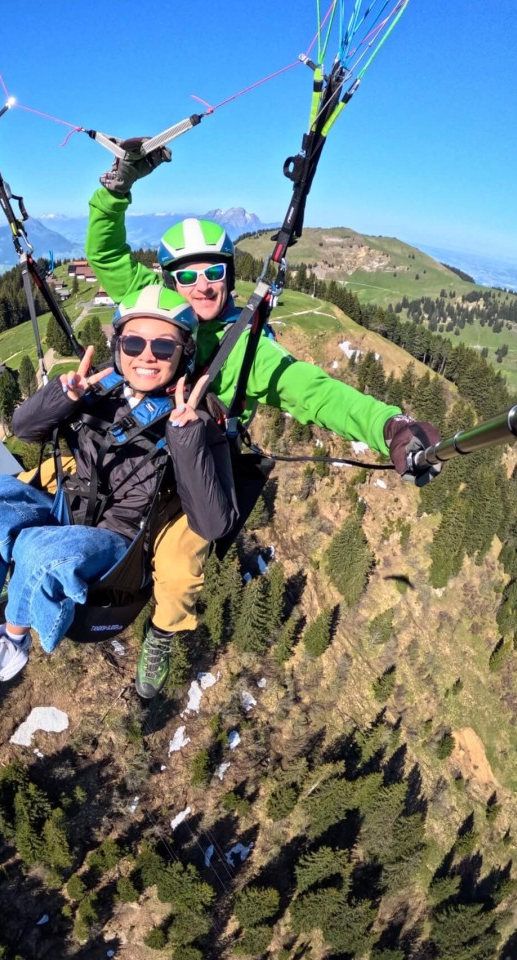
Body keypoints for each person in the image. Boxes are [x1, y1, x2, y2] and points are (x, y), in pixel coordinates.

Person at [84, 140, 442, 698]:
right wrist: (116, 188)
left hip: (192, 474)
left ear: (229, 276)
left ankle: (161, 633)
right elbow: (106, 253)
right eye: (187, 276)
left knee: (177, 573)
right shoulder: (145, 297)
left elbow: (315, 393)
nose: (203, 285)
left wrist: (389, 426)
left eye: (215, 273)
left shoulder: (246, 348)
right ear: (167, 280)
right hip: (131, 449)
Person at [0, 285, 239, 716]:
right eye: (133, 343)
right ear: (119, 347)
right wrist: (63, 397)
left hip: (116, 538)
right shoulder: (99, 388)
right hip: (67, 504)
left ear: (183, 354)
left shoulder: (199, 415)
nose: (146, 355)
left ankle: (15, 641)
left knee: (41, 551)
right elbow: (24, 430)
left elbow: (211, 523)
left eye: (163, 345)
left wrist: (187, 434)